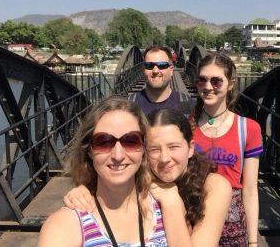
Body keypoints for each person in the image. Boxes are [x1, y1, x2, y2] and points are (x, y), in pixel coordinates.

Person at [64, 108, 232, 247]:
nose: (164, 158)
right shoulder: (143, 177)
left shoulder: (214, 186)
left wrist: (171, 200)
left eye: (173, 147)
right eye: (154, 149)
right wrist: (83, 189)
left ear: (190, 148)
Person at [38, 96, 167, 247]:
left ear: (144, 147)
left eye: (131, 141)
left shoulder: (167, 207)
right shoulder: (64, 226)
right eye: (104, 142)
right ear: (89, 150)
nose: (118, 155)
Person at [190, 52, 263, 246]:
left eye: (216, 81)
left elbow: (249, 190)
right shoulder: (186, 125)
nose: (208, 87)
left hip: (232, 220)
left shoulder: (248, 129)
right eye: (202, 80)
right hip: (193, 213)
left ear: (230, 83)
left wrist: (253, 241)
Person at [129, 45, 194, 115]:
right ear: (143, 69)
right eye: (149, 65)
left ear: (171, 70)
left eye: (162, 65)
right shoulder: (129, 105)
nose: (155, 71)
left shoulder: (189, 105)